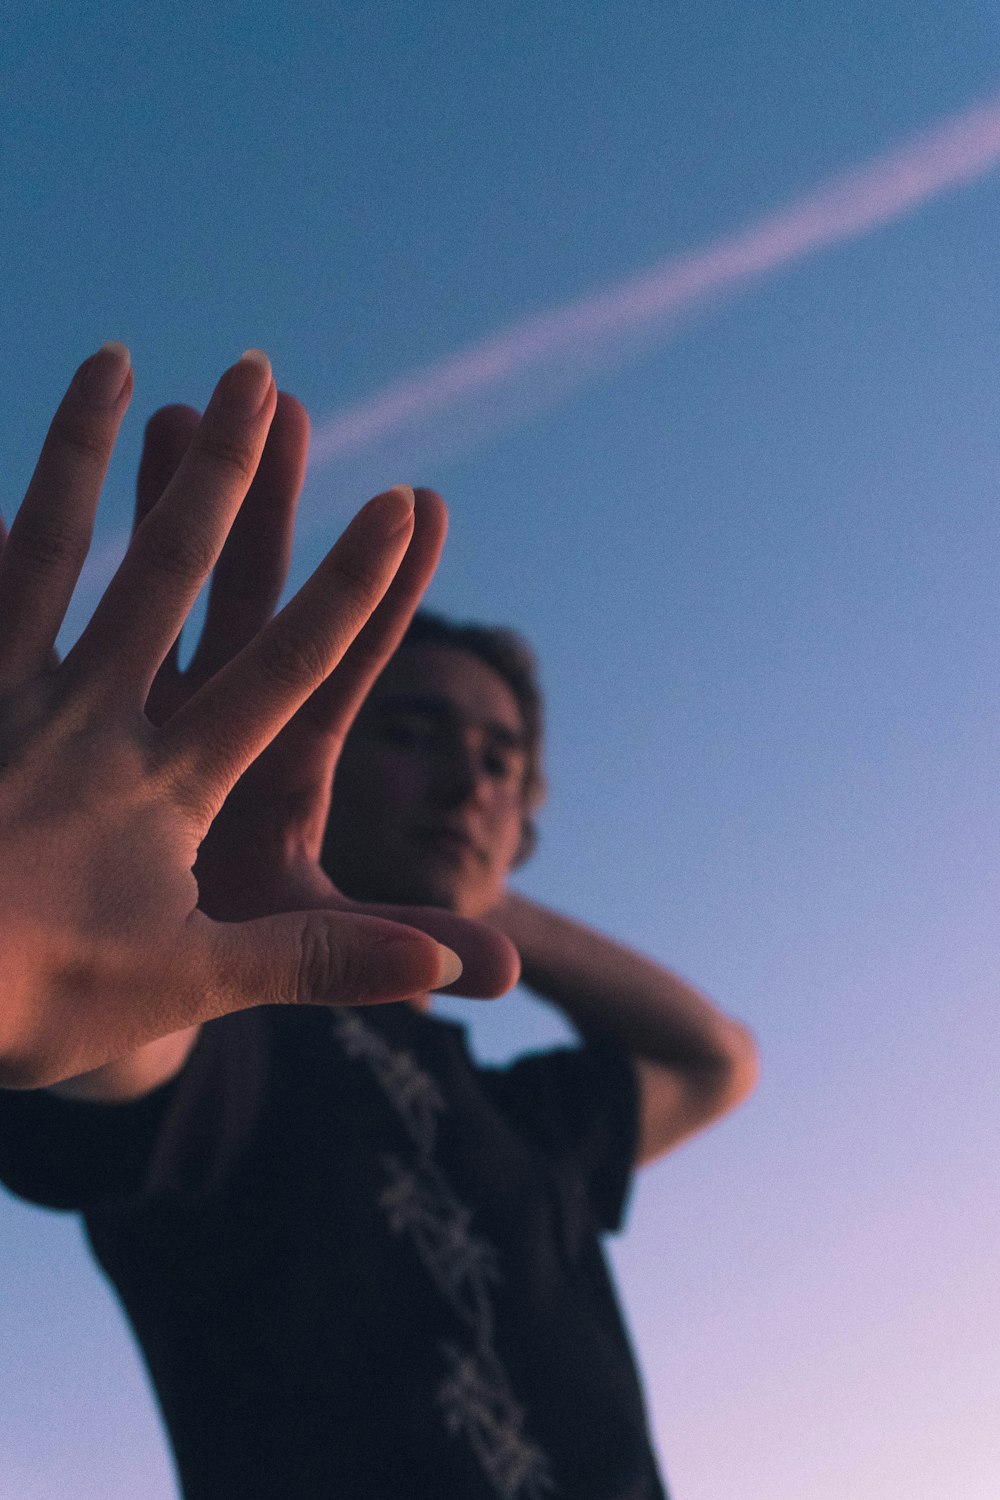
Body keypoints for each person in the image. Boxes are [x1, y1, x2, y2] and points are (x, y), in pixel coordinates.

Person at [0, 371, 758, 1498]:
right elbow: (116, 1044)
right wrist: (27, 951)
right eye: (417, 733)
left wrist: (479, 901)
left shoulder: (527, 1123)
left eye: (503, 763)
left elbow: (715, 1060)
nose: (469, 779)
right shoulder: (225, 1032)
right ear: (318, 759)